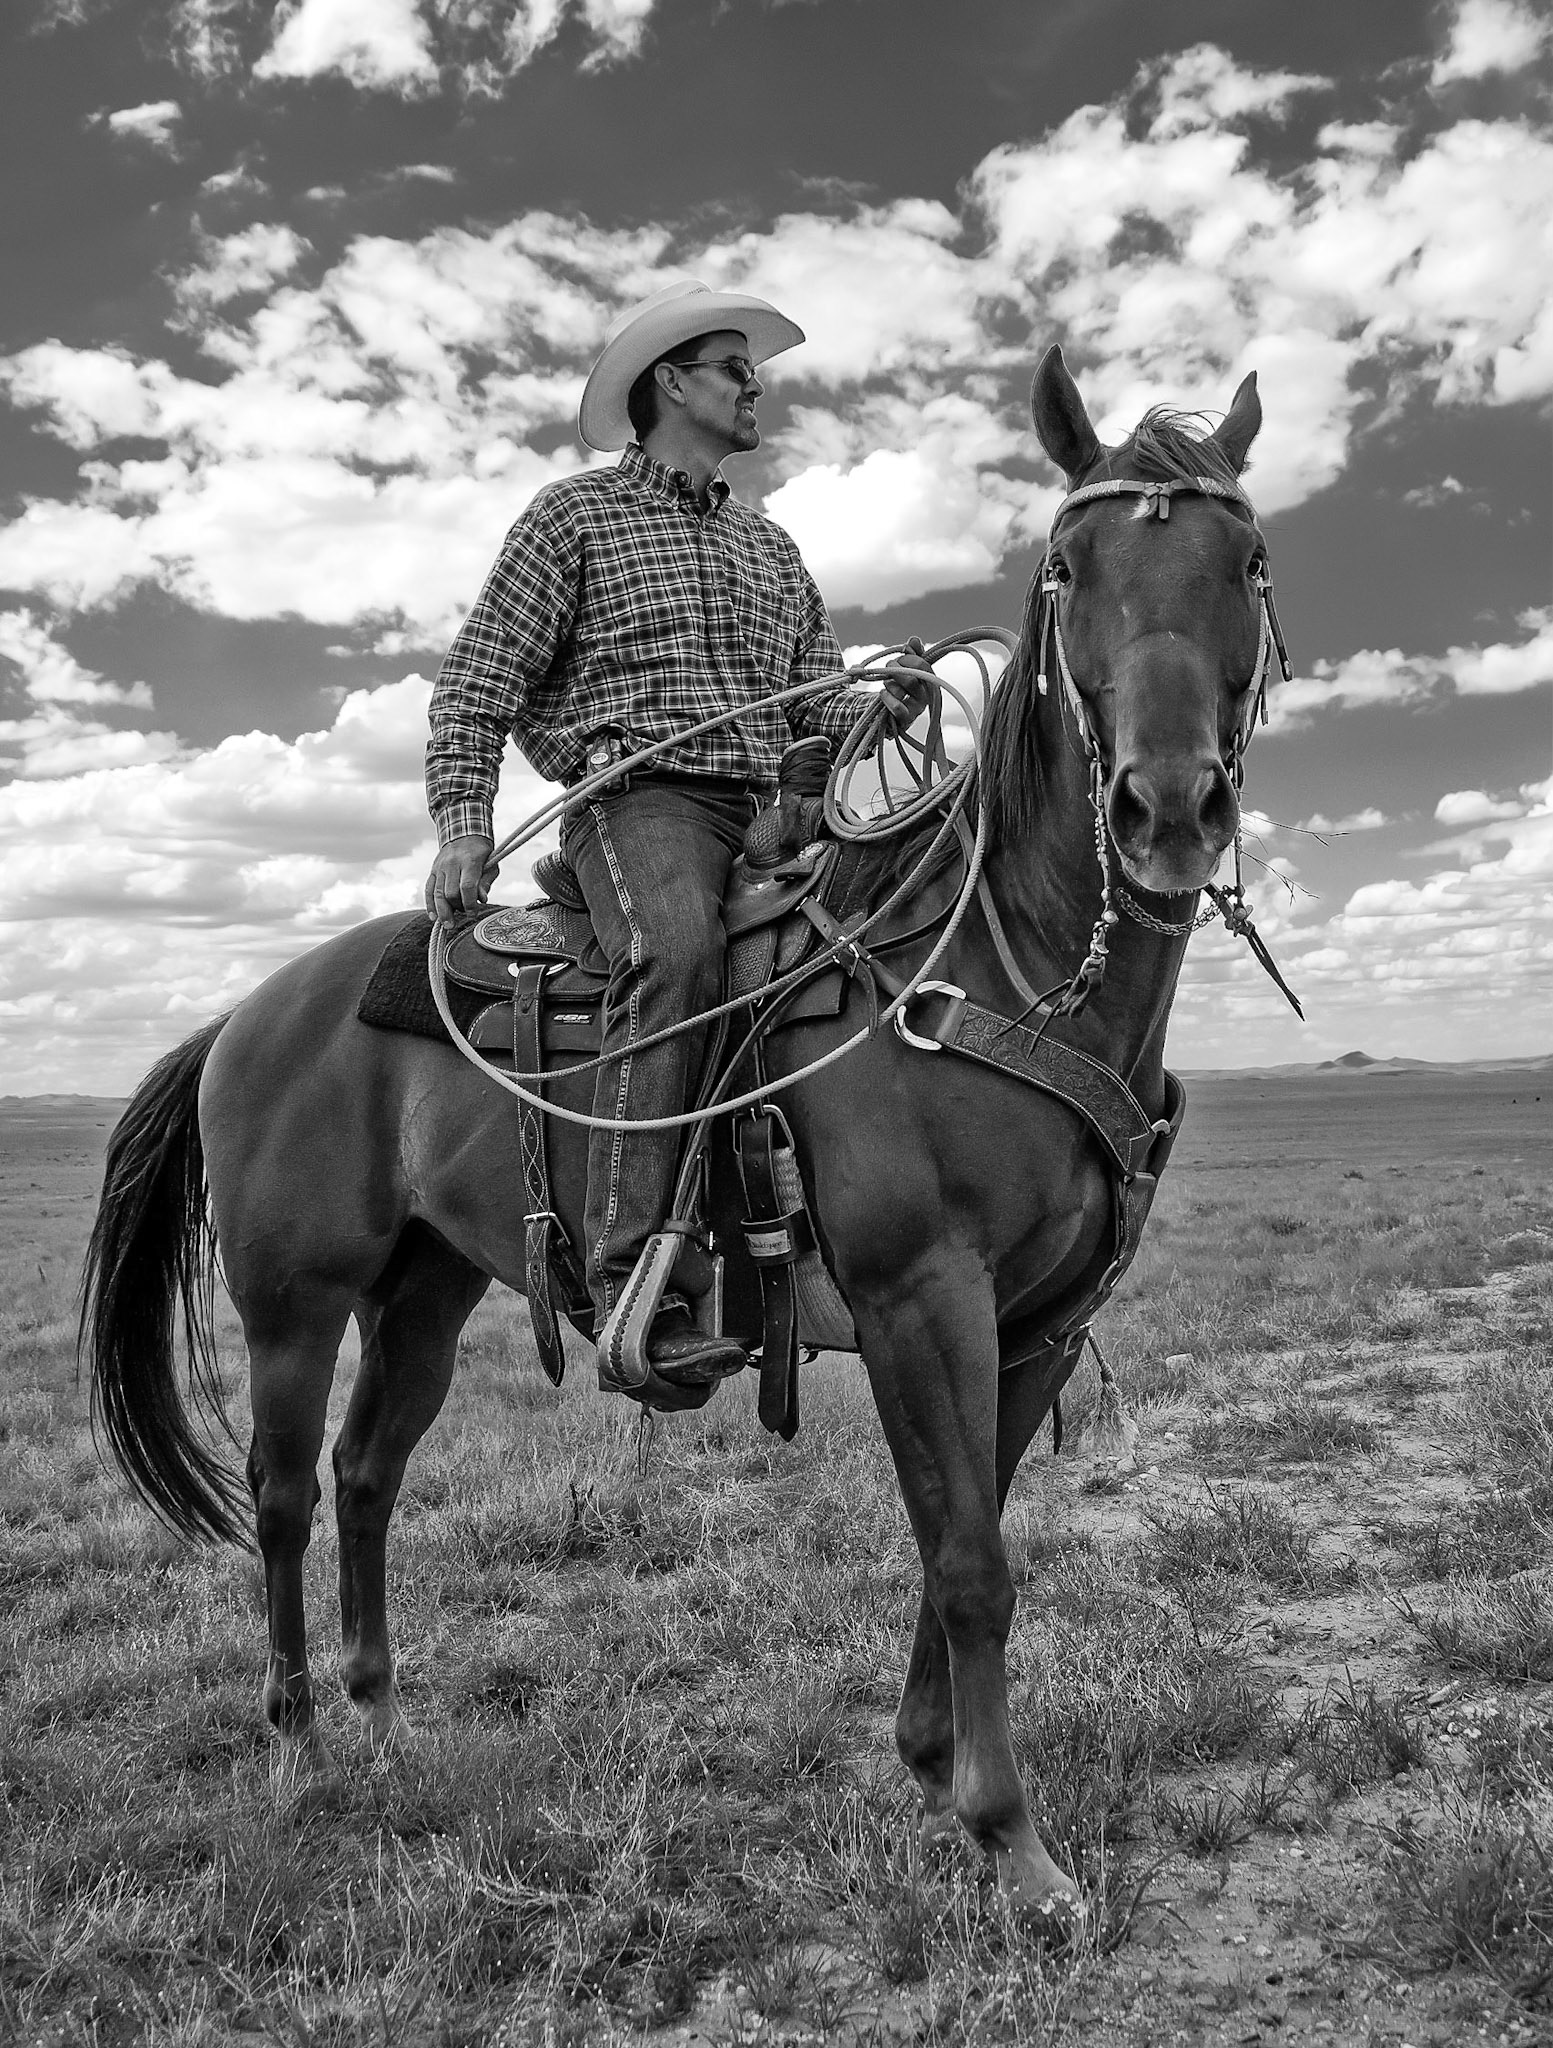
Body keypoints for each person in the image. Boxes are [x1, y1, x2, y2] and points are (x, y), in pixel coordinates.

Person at [425, 279, 927, 1393]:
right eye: (734, 370)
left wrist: (885, 698)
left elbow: (812, 701)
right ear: (671, 384)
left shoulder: (771, 548)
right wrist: (464, 829)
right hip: (640, 803)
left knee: (884, 934)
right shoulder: (572, 519)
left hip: (773, 809)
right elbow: (474, 687)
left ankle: (821, 1240)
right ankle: (629, 1281)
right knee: (679, 951)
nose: (754, 389)